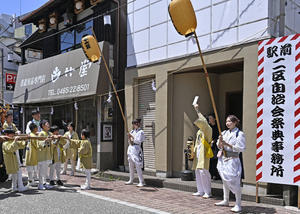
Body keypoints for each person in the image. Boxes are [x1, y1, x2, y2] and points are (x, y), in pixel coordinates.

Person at [215, 115, 246, 213]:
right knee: (224, 180)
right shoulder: (223, 133)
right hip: (223, 159)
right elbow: (219, 146)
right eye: (226, 121)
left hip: (233, 160)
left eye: (230, 121)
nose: (227, 123)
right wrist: (220, 142)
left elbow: (241, 148)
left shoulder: (239, 134)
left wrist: (227, 144)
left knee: (234, 180)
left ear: (235, 122)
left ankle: (238, 204)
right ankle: (226, 199)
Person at [189, 104, 213, 198]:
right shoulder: (199, 131)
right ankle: (200, 190)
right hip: (198, 151)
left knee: (204, 171)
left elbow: (203, 120)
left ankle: (208, 191)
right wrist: (193, 151)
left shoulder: (208, 129)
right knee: (197, 171)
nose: (198, 124)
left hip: (204, 152)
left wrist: (197, 110)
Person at [125, 119, 145, 187]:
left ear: (139, 124)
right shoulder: (132, 131)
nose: (135, 125)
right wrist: (129, 137)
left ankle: (141, 181)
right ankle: (131, 179)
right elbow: (130, 141)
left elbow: (139, 140)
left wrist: (131, 136)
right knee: (131, 165)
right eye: (134, 124)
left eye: (136, 123)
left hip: (136, 148)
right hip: (131, 148)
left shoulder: (141, 132)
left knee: (138, 165)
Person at [25, 109, 41, 180]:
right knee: (31, 159)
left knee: (38, 159)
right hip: (32, 143)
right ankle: (30, 177)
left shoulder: (41, 122)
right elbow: (28, 132)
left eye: (39, 114)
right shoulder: (30, 123)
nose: (38, 116)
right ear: (33, 115)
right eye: (37, 114)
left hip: (39, 142)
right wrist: (39, 134)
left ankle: (36, 175)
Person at [37, 120, 53, 190]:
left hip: (48, 154)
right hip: (42, 155)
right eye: (47, 124)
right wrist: (45, 141)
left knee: (45, 171)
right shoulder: (41, 133)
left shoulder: (49, 133)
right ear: (43, 126)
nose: (48, 125)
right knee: (41, 171)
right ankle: (40, 184)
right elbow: (39, 144)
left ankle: (45, 183)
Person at [207, 113, 220, 180]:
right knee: (210, 160)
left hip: (215, 145)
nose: (209, 120)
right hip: (208, 145)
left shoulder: (217, 127)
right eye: (209, 118)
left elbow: (218, 136)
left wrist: (214, 141)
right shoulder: (208, 127)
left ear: (214, 119)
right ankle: (210, 174)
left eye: (211, 118)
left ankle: (215, 174)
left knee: (215, 159)